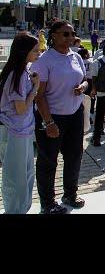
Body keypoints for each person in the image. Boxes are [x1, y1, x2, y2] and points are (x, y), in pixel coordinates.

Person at [31, 21, 88, 214]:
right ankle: (48, 202)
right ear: (54, 35)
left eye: (72, 33)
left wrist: (83, 88)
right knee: (48, 160)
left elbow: (84, 80)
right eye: (66, 34)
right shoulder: (45, 60)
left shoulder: (76, 56)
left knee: (74, 156)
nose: (70, 38)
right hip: (52, 116)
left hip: (74, 114)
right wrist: (48, 122)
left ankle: (70, 194)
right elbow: (39, 96)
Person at [0, 33, 41, 214]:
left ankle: (22, 208)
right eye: (35, 50)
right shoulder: (16, 76)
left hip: (23, 130)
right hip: (15, 130)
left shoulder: (23, 71)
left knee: (26, 173)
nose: (38, 53)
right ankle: (15, 210)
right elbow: (21, 108)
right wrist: (36, 88)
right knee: (17, 176)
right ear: (24, 52)